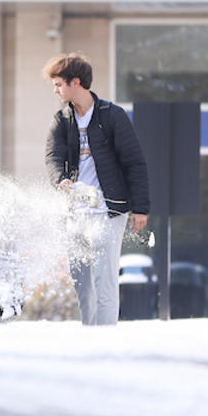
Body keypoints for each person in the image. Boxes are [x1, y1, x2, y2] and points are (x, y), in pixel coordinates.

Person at [42, 53, 150, 326]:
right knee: (82, 283)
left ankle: (105, 340)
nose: (55, 90)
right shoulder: (62, 119)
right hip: (75, 212)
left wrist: (141, 207)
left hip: (108, 209)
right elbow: (53, 156)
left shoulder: (112, 116)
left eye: (58, 84)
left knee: (104, 280)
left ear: (75, 82)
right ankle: (88, 338)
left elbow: (134, 162)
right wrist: (60, 180)